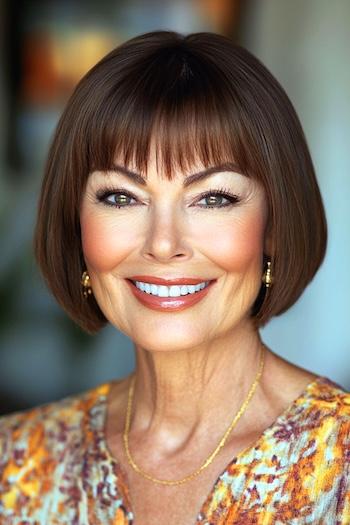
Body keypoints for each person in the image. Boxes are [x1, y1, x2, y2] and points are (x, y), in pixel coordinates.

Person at [0, 30, 349, 525]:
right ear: (74, 225)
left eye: (213, 198)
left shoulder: (341, 468)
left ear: (274, 225)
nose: (163, 243)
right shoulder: (18, 465)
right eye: (121, 197)